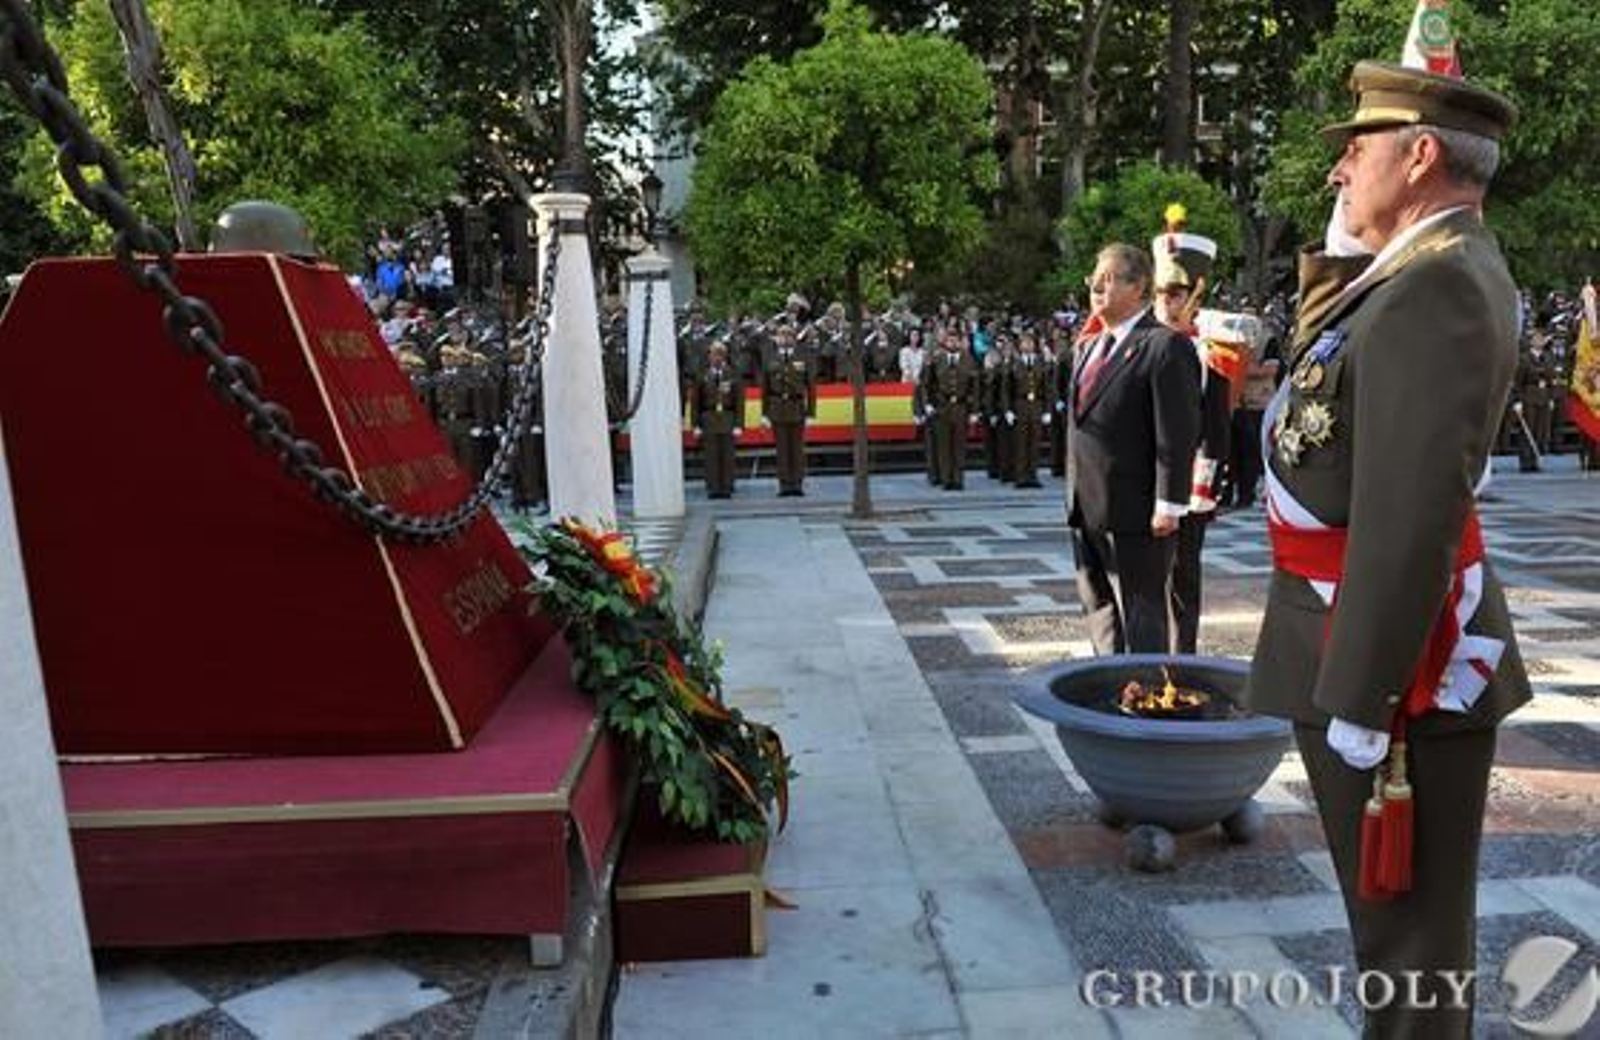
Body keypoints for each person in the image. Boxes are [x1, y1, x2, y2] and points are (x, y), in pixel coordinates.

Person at [1244, 61, 1529, 1039]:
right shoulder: (1415, 274)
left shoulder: (1439, 285)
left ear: (1418, 157)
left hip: (1395, 676)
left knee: (1409, 952)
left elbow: (1410, 509)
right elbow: (1333, 387)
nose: (1336, 171)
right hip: (1344, 638)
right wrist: (1341, 260)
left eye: (1354, 148)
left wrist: (1362, 695)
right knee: (1391, 946)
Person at [1065, 244, 1201, 654]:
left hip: (1137, 506)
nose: (1097, 286)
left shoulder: (1164, 346)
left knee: (1141, 611)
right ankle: (1108, 682)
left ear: (1139, 286)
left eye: (1109, 279)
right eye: (1095, 277)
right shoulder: (1087, 348)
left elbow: (1177, 431)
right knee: (1098, 606)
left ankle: (1145, 695)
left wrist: (1169, 502)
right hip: (1085, 502)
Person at [1149, 220, 1229, 655]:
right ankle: (1149, 659)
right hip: (1146, 478)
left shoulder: (1208, 350)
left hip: (1190, 483)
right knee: (1145, 579)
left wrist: (1206, 482)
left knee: (1184, 576)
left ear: (1194, 295)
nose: (1166, 302)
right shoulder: (1140, 344)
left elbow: (1215, 425)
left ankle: (1182, 660)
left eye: (1175, 294)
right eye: (1161, 294)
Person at [761, 325, 815, 496]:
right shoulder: (770, 358)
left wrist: (811, 413)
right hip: (777, 407)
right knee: (782, 449)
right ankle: (784, 484)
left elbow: (811, 387)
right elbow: (765, 389)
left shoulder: (803, 356)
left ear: (794, 338)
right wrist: (764, 413)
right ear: (777, 338)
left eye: (789, 335)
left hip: (797, 406)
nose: (785, 338)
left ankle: (797, 484)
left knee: (797, 449)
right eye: (781, 335)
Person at [690, 340, 744, 499]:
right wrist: (695, 425)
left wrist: (739, 424)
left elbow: (739, 401)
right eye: (714, 354)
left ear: (725, 356)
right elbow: (695, 403)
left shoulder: (733, 374)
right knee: (711, 457)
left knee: (727, 456)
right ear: (709, 356)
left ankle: (727, 487)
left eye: (720, 354)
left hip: (727, 418)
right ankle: (713, 488)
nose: (717, 357)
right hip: (708, 419)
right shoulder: (702, 375)